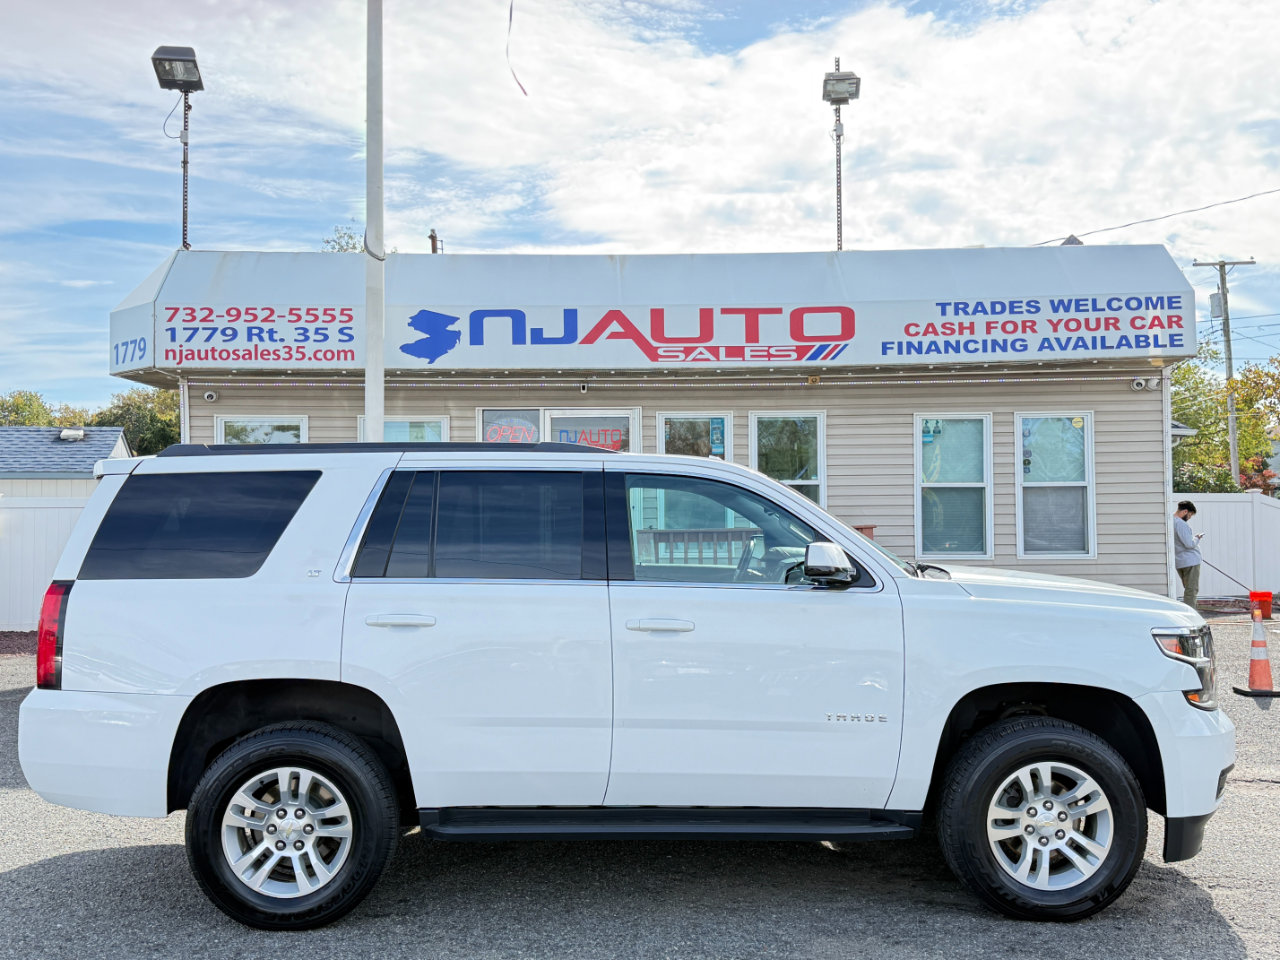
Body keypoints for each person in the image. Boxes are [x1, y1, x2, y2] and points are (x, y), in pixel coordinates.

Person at [1173, 500, 1204, 607]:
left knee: (1188, 589)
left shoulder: (1170, 521)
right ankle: (1191, 613)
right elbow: (1189, 544)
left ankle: (1189, 610)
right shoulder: (1181, 524)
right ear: (1185, 511)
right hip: (1190, 561)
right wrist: (1197, 538)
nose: (1189, 518)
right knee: (1192, 590)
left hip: (1180, 561)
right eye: (1190, 515)